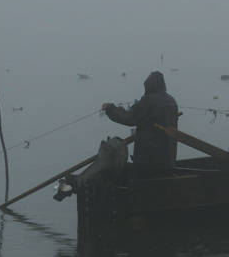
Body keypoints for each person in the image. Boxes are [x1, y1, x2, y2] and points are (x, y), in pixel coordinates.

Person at [54, 71, 178, 201]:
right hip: (168, 160)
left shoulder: (149, 101)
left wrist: (110, 109)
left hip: (148, 160)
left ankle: (76, 184)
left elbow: (129, 117)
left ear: (150, 85)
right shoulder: (171, 101)